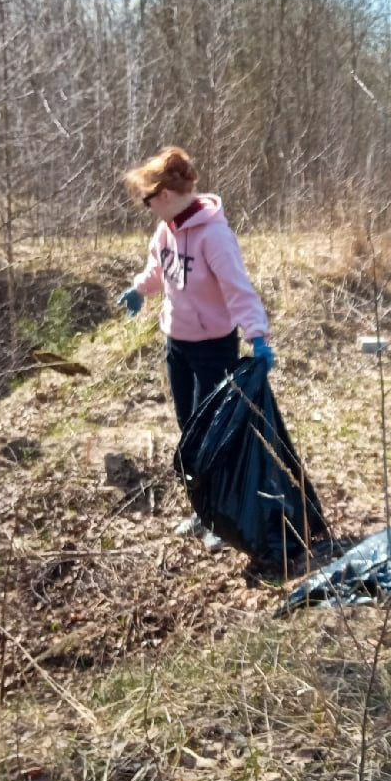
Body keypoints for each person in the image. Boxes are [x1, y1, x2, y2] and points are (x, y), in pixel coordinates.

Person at [117, 145, 273, 548]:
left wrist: (256, 335)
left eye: (147, 200)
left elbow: (238, 290)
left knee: (214, 436)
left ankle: (222, 518)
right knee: (190, 432)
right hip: (179, 346)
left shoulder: (214, 236)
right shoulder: (166, 230)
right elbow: (158, 270)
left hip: (213, 350)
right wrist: (139, 289)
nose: (146, 207)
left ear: (164, 196)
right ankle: (202, 510)